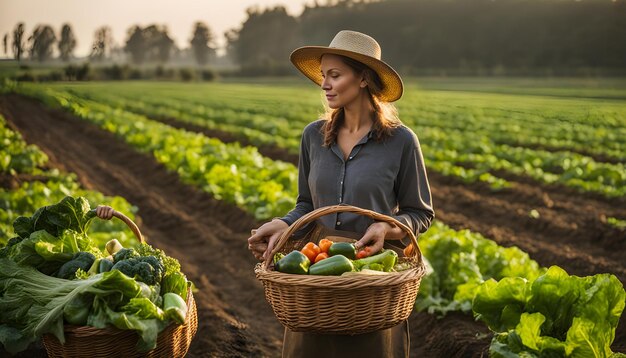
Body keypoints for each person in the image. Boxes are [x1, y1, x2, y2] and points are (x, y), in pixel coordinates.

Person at [247, 30, 435, 358]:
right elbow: (306, 205)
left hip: (371, 277)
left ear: (363, 78)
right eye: (323, 76)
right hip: (316, 269)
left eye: (335, 75)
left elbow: (420, 213)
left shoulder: (401, 142)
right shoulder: (313, 136)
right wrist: (282, 223)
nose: (324, 85)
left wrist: (386, 226)